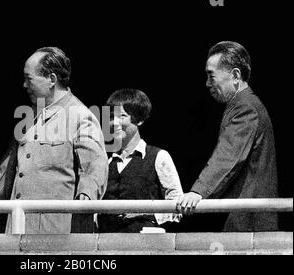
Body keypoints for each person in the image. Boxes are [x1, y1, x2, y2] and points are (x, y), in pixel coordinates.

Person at [0, 47, 108, 234]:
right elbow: (5, 175)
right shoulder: (29, 117)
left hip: (57, 234)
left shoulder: (80, 116)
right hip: (17, 229)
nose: (24, 85)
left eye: (29, 79)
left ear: (52, 79)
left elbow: (94, 168)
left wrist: (86, 200)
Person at [177, 41, 279, 231]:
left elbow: (228, 157)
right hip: (246, 220)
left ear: (235, 75)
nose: (207, 83)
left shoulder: (245, 107)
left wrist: (198, 191)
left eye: (211, 75)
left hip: (248, 223)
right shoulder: (244, 105)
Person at [97, 88, 183, 233]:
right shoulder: (105, 162)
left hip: (144, 244)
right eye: (111, 117)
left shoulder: (158, 156)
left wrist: (145, 213)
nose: (114, 123)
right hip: (107, 244)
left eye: (122, 116)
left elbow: (176, 205)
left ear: (140, 120)